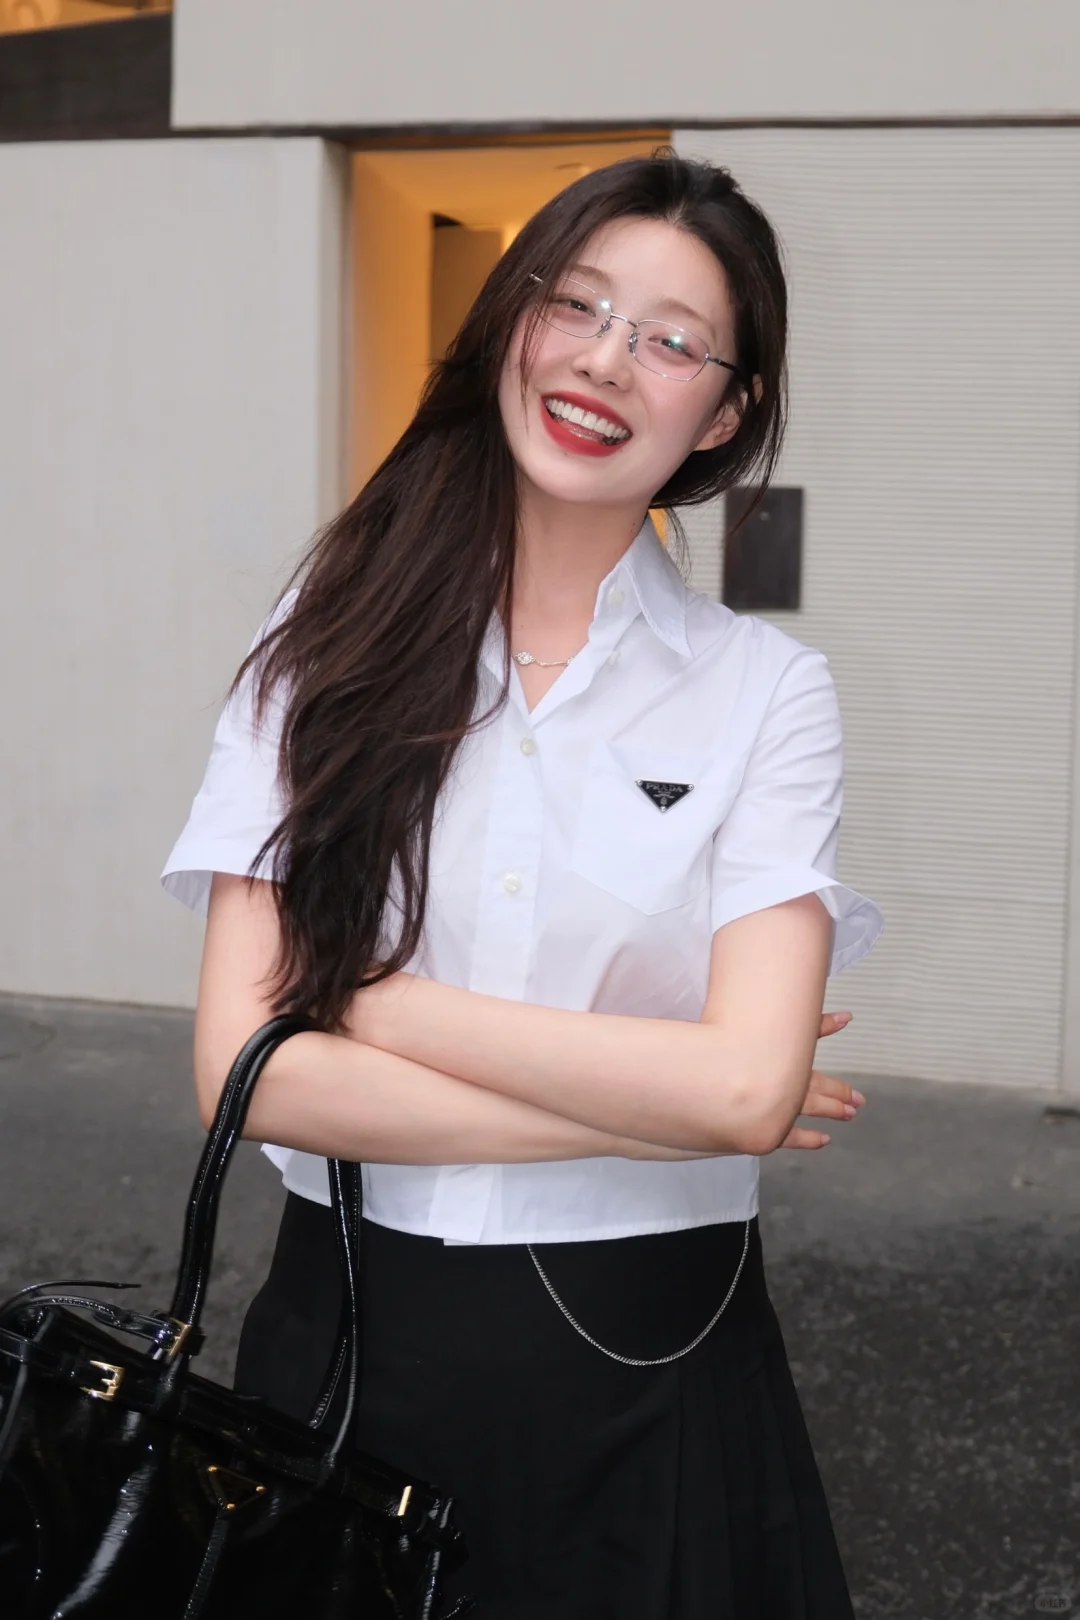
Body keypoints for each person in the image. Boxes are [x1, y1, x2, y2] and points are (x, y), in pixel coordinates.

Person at [162, 152, 884, 1619]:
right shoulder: (327, 641)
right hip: (347, 1338)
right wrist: (661, 1098)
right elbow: (247, 1071)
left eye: (672, 340)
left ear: (724, 412)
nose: (608, 360)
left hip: (648, 1365)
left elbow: (744, 1094)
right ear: (514, 321)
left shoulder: (765, 694)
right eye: (580, 305)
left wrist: (364, 1002)